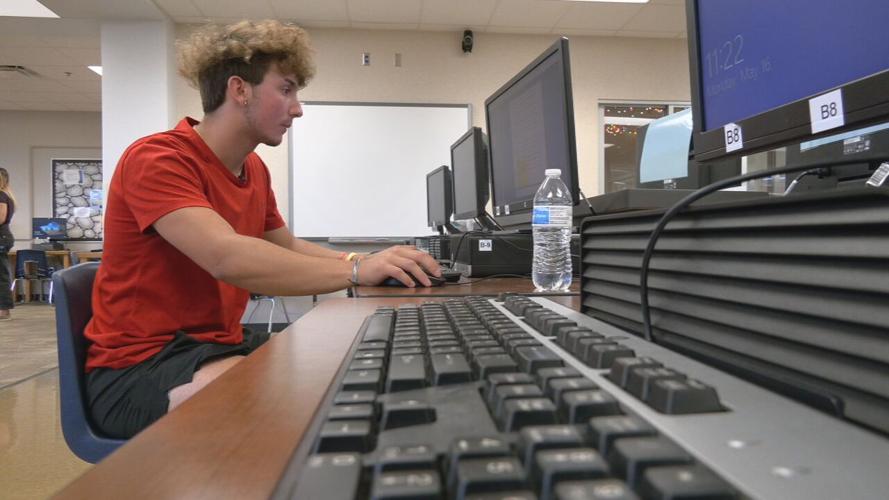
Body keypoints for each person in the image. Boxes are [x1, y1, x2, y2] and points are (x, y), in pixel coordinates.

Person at [84, 20, 441, 438]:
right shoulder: (158, 158)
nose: (298, 107)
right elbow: (225, 256)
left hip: (217, 347)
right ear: (240, 90)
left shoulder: (252, 168)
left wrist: (363, 259)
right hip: (139, 368)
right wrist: (358, 272)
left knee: (354, 376)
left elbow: (285, 245)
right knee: (300, 412)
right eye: (286, 89)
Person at [0, 167, 15, 321]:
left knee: (1, 275)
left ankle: (4, 310)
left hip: (1, 237)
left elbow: (1, 218)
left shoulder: (1, 196)